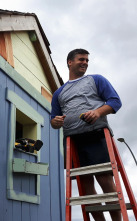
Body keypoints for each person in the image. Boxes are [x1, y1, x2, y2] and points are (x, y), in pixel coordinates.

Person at [50, 49, 122, 221]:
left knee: (104, 179)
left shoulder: (96, 79)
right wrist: (56, 122)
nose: (85, 63)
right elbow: (53, 120)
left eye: (87, 60)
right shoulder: (59, 93)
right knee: (85, 186)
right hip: (72, 141)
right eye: (81, 59)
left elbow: (115, 101)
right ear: (70, 62)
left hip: (95, 134)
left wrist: (97, 113)